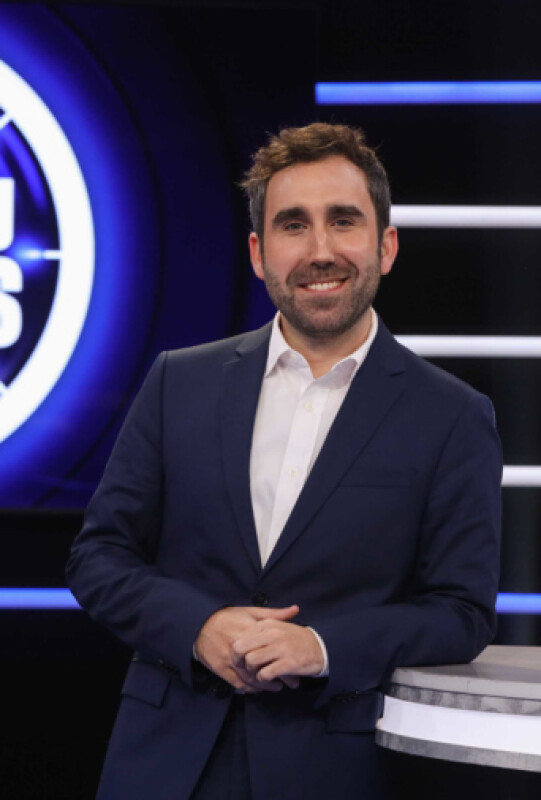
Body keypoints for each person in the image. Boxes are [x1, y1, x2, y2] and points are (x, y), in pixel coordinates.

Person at [66, 122, 502, 800]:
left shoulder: (452, 415)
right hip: (162, 763)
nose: (320, 251)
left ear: (385, 246)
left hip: (332, 767)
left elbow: (461, 613)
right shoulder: (177, 382)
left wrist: (322, 647)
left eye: (343, 221)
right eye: (293, 225)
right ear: (258, 251)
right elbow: (99, 557)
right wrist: (199, 628)